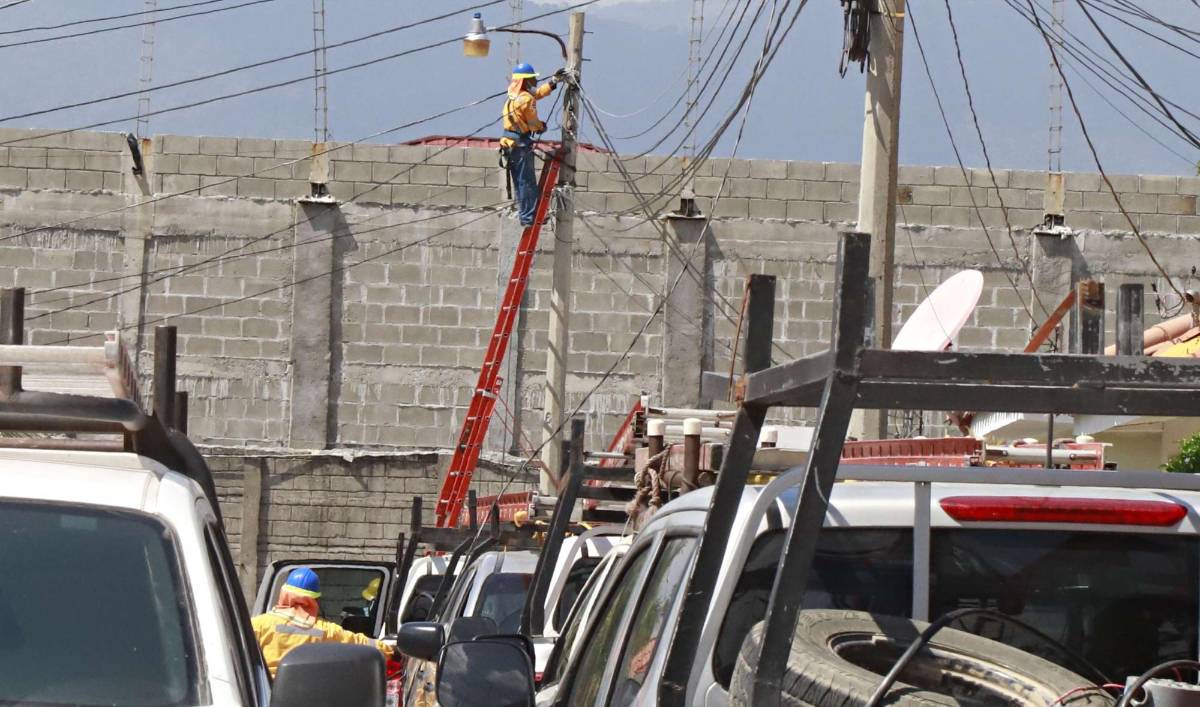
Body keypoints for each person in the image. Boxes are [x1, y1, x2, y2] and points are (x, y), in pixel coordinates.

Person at [252, 567, 394, 677]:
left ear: (283, 593)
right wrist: (391, 649)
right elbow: (362, 644)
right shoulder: (326, 631)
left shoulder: (258, 624)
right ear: (315, 600)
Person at [501, 63, 561, 226]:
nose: (535, 81)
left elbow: (537, 94)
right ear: (526, 81)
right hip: (520, 145)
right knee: (526, 182)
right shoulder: (526, 99)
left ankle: (525, 215)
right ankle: (529, 217)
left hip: (510, 144)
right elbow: (533, 123)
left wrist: (553, 82)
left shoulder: (514, 97)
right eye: (533, 79)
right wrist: (541, 127)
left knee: (520, 183)